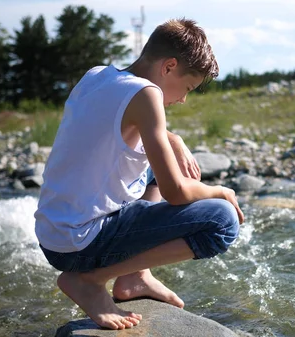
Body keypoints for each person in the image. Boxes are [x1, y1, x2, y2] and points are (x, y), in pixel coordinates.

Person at [34, 18, 245, 330]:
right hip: (81, 244)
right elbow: (175, 192)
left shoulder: (98, 76)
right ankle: (92, 281)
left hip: (54, 235)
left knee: (158, 164)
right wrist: (221, 191)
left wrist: (172, 140)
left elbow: (117, 124)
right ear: (169, 66)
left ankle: (134, 275)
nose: (184, 98)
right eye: (188, 87)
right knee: (223, 221)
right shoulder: (147, 95)